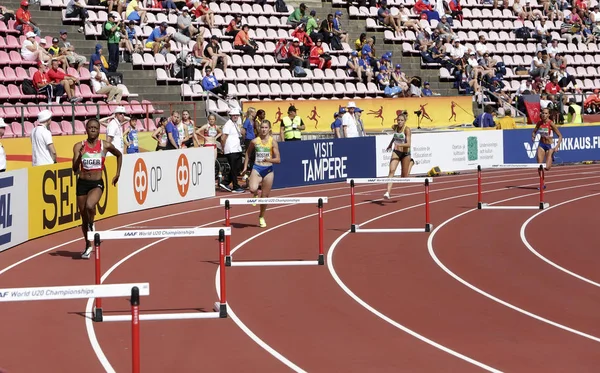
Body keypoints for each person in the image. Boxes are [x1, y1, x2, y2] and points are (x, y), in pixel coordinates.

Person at [73, 119, 122, 258]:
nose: (93, 130)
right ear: (86, 129)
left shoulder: (104, 145)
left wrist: (117, 173)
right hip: (82, 183)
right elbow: (74, 169)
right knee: (83, 217)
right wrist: (79, 157)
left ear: (99, 130)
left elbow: (119, 155)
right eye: (90, 128)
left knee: (90, 205)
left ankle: (92, 222)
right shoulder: (79, 146)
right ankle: (88, 245)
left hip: (97, 184)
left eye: (95, 128)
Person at [242, 119, 281, 228]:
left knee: (264, 197)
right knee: (252, 188)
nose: (263, 130)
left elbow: (278, 159)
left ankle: (261, 216)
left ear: (269, 129)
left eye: (265, 128)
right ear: (259, 129)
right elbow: (248, 153)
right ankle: (255, 193)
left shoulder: (273, 142)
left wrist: (269, 159)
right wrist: (245, 166)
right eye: (262, 127)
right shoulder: (255, 141)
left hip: (268, 170)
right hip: (257, 168)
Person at [384, 113, 414, 199]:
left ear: (405, 121)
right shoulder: (395, 127)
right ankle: (388, 192)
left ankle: (411, 162)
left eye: (401, 120)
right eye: (398, 120)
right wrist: (390, 145)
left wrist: (400, 145)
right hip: (396, 152)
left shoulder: (407, 130)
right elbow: (394, 137)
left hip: (405, 154)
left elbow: (408, 144)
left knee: (404, 177)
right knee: (391, 170)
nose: (399, 122)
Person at [220, 108, 244, 193]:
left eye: (237, 115)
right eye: (234, 115)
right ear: (230, 115)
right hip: (230, 149)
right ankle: (235, 186)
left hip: (237, 148)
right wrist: (223, 148)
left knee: (237, 168)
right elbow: (223, 138)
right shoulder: (228, 124)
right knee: (234, 168)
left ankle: (225, 182)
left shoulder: (235, 124)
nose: (235, 116)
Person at [532, 107, 562, 172]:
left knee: (547, 168)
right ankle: (541, 181)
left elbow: (560, 136)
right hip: (541, 145)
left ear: (548, 115)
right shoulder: (539, 123)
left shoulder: (551, 123)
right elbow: (534, 131)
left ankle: (552, 156)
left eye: (546, 113)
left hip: (550, 146)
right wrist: (533, 136)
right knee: (539, 166)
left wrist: (557, 146)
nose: (544, 115)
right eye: (543, 113)